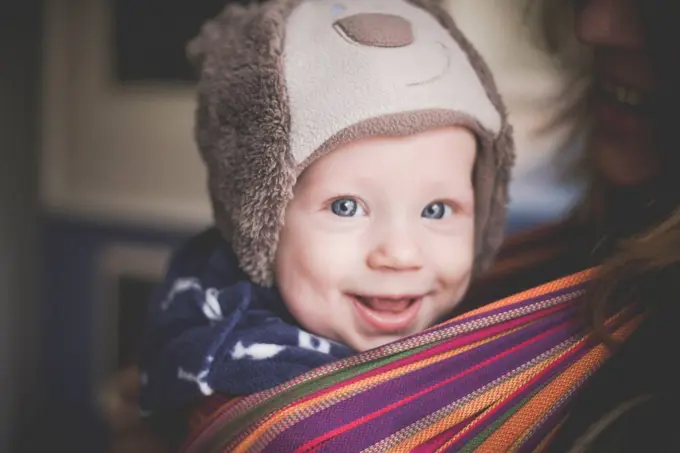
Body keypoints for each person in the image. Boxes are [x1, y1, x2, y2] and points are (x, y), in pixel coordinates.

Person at [137, 0, 514, 422]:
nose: (401, 254)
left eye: (437, 210)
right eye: (346, 207)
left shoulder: (490, 319)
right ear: (259, 220)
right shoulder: (261, 394)